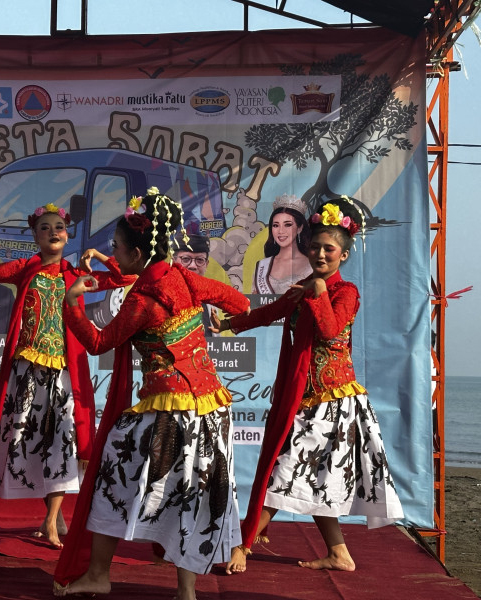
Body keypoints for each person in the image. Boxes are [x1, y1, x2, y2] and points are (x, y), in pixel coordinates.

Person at [53, 188, 251, 600]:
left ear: (139, 252)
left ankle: (98, 573)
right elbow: (240, 301)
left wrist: (71, 306)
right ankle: (186, 591)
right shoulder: (184, 277)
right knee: (191, 494)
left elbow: (98, 343)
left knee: (110, 480)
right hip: (211, 410)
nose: (115, 253)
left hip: (168, 413)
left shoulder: (143, 302)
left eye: (118, 248)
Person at [222, 197, 404, 574]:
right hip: (308, 401)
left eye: (329, 248)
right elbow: (272, 311)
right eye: (316, 246)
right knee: (309, 479)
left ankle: (243, 545)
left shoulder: (345, 291)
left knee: (282, 469)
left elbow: (330, 329)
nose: (320, 253)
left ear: (344, 254)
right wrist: (228, 325)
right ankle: (339, 553)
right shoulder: (306, 287)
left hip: (333, 404)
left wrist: (318, 291)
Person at [0, 202, 136, 549]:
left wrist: (100, 256)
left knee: (62, 439)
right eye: (45, 227)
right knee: (36, 442)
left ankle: (52, 521)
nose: (54, 232)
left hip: (63, 374)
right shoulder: (24, 269)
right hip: (26, 372)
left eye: (59, 227)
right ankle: (52, 517)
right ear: (35, 236)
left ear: (67, 234)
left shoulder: (76, 275)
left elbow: (125, 277)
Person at [252, 194, 312, 294]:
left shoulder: (311, 265)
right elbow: (256, 303)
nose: (281, 231)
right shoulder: (262, 266)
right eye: (276, 225)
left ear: (300, 228)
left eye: (287, 225)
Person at [173, 233, 218, 335]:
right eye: (185, 259)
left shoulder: (211, 303)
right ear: (173, 261)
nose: (193, 266)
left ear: (206, 264)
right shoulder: (159, 297)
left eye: (199, 260)